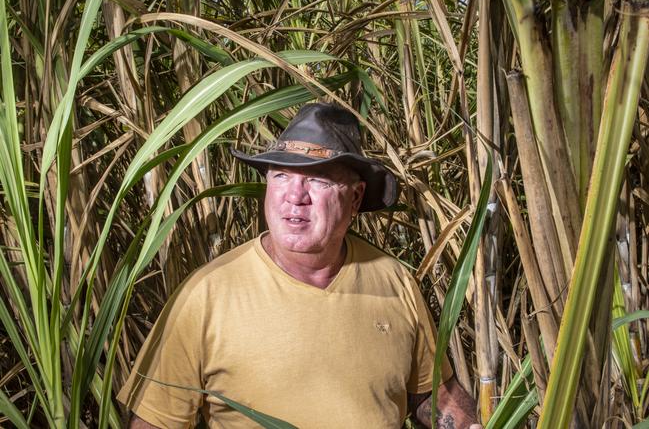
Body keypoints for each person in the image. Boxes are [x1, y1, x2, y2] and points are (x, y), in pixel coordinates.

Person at [118, 103, 480, 428]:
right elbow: (155, 422)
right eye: (281, 176)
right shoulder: (206, 295)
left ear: (354, 198)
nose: (295, 196)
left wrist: (466, 425)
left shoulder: (394, 280)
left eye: (317, 179)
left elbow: (431, 393)